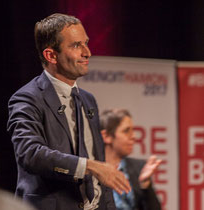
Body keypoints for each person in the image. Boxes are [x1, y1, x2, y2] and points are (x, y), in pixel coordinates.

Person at [7, 13, 131, 210]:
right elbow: (30, 154)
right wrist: (89, 166)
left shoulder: (88, 100)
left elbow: (101, 178)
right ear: (51, 55)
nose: (87, 52)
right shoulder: (27, 99)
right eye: (76, 46)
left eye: (86, 43)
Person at [100, 109, 162, 210]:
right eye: (126, 131)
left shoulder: (139, 167)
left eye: (133, 131)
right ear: (106, 136)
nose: (133, 136)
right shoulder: (91, 169)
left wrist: (145, 184)